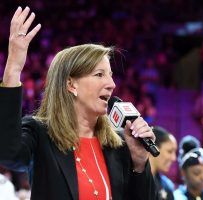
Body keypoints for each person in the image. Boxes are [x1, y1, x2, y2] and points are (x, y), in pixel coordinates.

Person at [0, 6, 156, 200]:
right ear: (71, 84)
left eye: (111, 76)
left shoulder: (119, 144)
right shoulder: (40, 134)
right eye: (99, 75)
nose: (112, 84)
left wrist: (140, 164)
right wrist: (13, 68)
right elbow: (8, 154)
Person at [149, 126, 177, 200]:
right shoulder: (132, 179)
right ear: (154, 148)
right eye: (169, 151)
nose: (174, 158)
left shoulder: (166, 186)